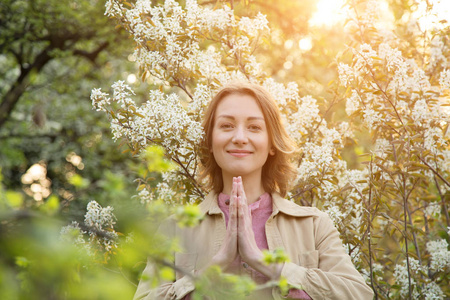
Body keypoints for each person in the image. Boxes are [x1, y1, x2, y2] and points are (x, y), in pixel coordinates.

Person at [134, 82, 374, 299]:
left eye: (254, 127)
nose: (239, 137)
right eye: (227, 126)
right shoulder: (174, 230)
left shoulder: (314, 225)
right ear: (210, 141)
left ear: (271, 144)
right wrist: (215, 265)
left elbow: (358, 294)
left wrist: (264, 262)